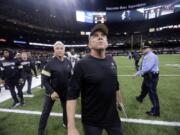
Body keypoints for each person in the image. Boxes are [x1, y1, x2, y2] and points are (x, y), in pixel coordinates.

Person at [66, 23, 124, 135]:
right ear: (89, 44)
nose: (100, 37)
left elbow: (115, 85)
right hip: (92, 121)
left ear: (107, 42)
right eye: (95, 35)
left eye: (103, 35)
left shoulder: (111, 61)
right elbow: (72, 96)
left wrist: (119, 101)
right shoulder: (81, 64)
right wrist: (71, 127)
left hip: (113, 117)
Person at [38, 41, 72, 135]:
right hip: (52, 92)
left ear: (64, 50)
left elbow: (70, 77)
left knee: (66, 109)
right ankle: (41, 131)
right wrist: (52, 92)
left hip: (65, 92)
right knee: (46, 111)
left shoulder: (68, 62)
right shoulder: (49, 64)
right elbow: (44, 80)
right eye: (57, 48)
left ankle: (65, 123)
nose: (60, 50)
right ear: (54, 50)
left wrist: (71, 88)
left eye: (61, 48)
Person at [132, 46, 160, 116]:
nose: (143, 49)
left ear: (150, 49)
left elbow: (147, 68)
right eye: (142, 48)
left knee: (152, 93)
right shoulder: (147, 55)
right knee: (144, 88)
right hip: (148, 76)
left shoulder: (150, 56)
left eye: (145, 48)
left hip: (151, 76)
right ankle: (140, 98)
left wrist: (137, 73)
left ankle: (155, 111)